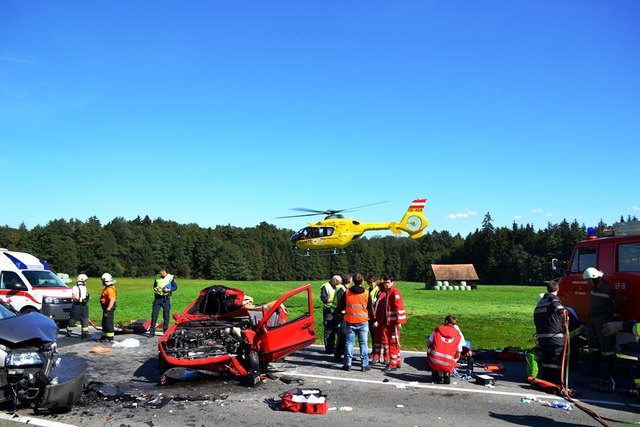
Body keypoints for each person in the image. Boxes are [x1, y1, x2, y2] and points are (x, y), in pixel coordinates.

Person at [584, 267, 618, 385]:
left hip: (604, 318)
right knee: (593, 344)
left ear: (596, 279)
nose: (588, 283)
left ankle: (609, 373)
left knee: (607, 345)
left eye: (589, 280)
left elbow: (615, 306)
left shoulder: (606, 289)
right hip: (593, 318)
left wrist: (612, 319)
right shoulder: (595, 287)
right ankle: (595, 369)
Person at [335, 273, 373, 372]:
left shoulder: (347, 292)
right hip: (363, 321)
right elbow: (370, 309)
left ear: (353, 282)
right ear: (362, 281)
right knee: (363, 343)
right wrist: (374, 319)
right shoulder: (366, 293)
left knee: (349, 343)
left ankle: (347, 364)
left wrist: (335, 313)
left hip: (350, 321)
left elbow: (340, 306)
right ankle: (364, 365)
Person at [533, 281, 566, 384]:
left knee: (546, 361)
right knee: (556, 362)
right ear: (558, 289)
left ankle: (546, 382)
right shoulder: (553, 299)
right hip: (555, 337)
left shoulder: (539, 305)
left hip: (542, 338)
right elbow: (561, 311)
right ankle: (556, 382)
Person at [381, 274, 407, 371]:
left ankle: (393, 364)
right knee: (394, 342)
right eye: (385, 283)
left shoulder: (394, 293)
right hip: (389, 322)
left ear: (392, 282)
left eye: (388, 283)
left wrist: (399, 322)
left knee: (393, 343)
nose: (386, 285)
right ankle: (397, 361)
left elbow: (399, 308)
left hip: (393, 323)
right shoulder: (388, 292)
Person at [427, 314, 462, 384]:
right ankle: (447, 372)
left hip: (435, 359)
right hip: (448, 361)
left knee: (429, 350)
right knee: (455, 354)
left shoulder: (437, 330)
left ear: (446, 321)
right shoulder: (458, 334)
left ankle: (435, 371)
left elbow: (429, 342)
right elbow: (459, 351)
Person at [150, 267, 177, 337]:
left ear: (164, 271)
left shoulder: (171, 277)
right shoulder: (157, 277)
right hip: (157, 298)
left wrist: (169, 290)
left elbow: (175, 287)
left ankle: (165, 332)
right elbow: (154, 285)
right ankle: (151, 332)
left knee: (166, 316)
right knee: (154, 315)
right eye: (159, 272)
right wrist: (155, 288)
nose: (160, 273)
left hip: (166, 299)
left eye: (161, 272)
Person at [320, 275, 341, 354]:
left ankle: (336, 347)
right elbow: (324, 299)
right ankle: (329, 348)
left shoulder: (338, 287)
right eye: (338, 282)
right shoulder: (325, 286)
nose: (338, 284)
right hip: (328, 311)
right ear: (334, 280)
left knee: (337, 329)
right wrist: (336, 299)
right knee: (329, 329)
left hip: (336, 311)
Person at [66, 274, 90, 338]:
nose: (86, 282)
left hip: (84, 305)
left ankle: (85, 332)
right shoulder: (75, 287)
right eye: (85, 281)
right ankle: (69, 331)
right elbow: (74, 296)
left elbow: (85, 295)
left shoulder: (84, 287)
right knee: (73, 318)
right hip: (77, 305)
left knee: (85, 318)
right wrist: (80, 299)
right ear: (82, 280)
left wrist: (87, 298)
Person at [371, 279, 389, 365]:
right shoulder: (380, 295)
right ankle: (376, 356)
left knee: (385, 340)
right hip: (377, 321)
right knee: (377, 339)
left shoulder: (386, 295)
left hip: (383, 321)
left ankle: (387, 357)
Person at [333, 274, 350, 362]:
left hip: (345, 315)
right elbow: (341, 303)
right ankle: (338, 355)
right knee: (343, 335)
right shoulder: (342, 290)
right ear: (349, 281)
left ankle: (344, 353)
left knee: (345, 335)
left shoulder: (343, 289)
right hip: (342, 315)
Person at [99, 272, 117, 342]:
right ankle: (104, 336)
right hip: (106, 307)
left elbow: (112, 300)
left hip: (108, 307)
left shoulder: (110, 289)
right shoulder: (108, 288)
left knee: (108, 322)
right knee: (105, 322)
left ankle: (109, 338)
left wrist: (108, 310)